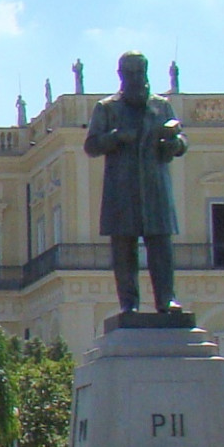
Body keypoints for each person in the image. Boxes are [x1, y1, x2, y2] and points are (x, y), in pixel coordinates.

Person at [83, 52, 188, 316]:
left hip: (155, 187)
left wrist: (175, 143)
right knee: (124, 249)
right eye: (130, 73)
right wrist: (116, 137)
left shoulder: (161, 106)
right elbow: (91, 145)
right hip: (122, 189)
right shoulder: (107, 108)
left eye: (140, 73)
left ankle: (166, 299)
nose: (136, 78)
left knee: (161, 246)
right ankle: (128, 303)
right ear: (121, 75)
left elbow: (183, 141)